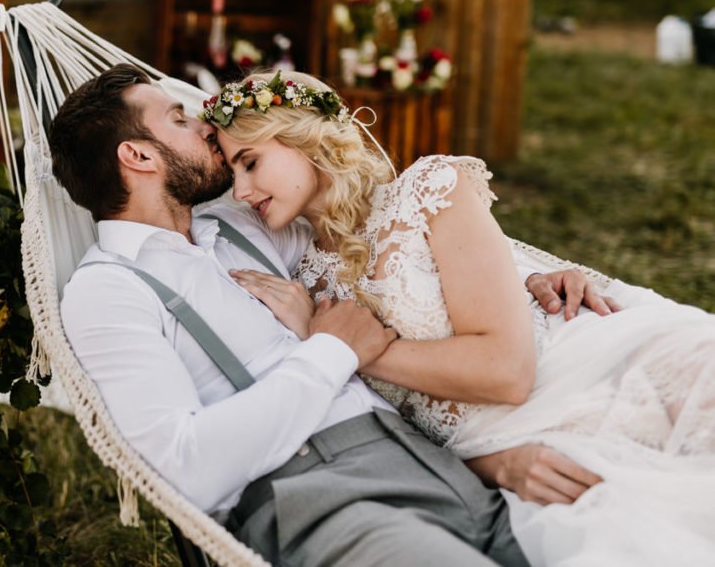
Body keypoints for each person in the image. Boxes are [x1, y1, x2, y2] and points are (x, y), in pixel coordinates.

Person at [48, 64, 594, 566]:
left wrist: (517, 274)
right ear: (138, 157)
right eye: (178, 118)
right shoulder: (108, 288)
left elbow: (373, 242)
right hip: (323, 499)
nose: (203, 127)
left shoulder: (242, 226)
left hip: (442, 466)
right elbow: (182, 469)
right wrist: (331, 351)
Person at [205, 69, 715, 565]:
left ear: (304, 139)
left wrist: (345, 348)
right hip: (508, 445)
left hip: (585, 369)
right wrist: (490, 466)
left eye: (251, 163)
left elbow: (507, 371)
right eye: (233, 173)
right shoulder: (304, 286)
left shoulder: (428, 189)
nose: (243, 191)